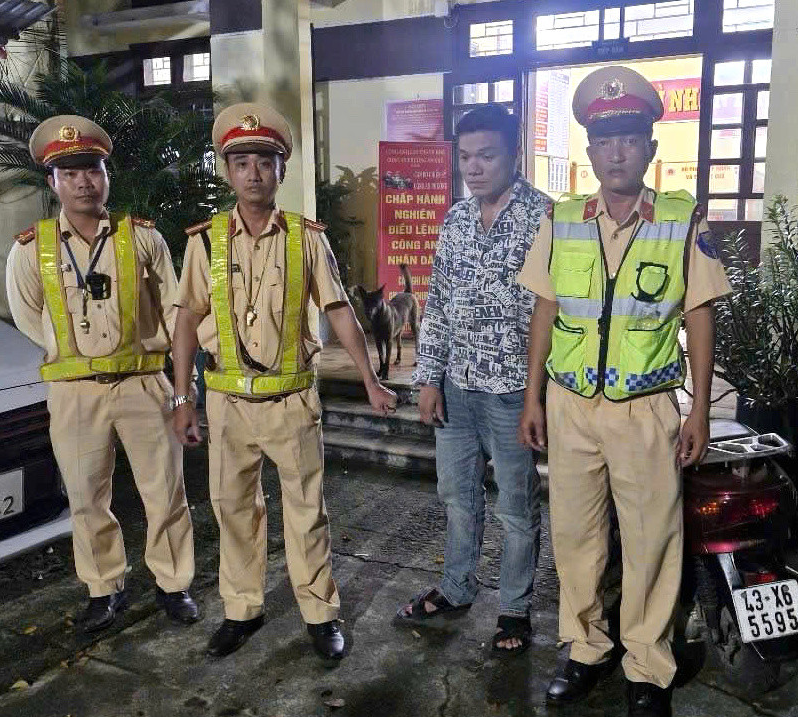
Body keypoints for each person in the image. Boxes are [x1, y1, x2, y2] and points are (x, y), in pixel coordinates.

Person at [517, 66, 732, 716]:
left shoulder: (680, 219)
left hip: (646, 408)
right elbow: (545, 309)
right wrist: (532, 398)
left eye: (629, 139)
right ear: (590, 151)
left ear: (649, 148)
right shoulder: (563, 219)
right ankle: (585, 647)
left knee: (651, 539)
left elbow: (700, 314)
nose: (617, 153)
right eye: (605, 141)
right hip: (570, 405)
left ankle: (647, 664)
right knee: (575, 536)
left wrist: (699, 409)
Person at [170, 103, 397, 660]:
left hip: (292, 400)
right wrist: (182, 396)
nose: (253, 173)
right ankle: (241, 610)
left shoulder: (305, 238)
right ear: (227, 171)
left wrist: (370, 379)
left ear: (281, 170)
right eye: (241, 163)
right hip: (227, 402)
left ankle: (320, 614)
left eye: (264, 162)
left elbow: (338, 309)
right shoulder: (205, 242)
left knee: (306, 510)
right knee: (233, 510)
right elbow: (185, 319)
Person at [6, 115, 198, 632]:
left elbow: (174, 311)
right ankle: (103, 588)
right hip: (74, 393)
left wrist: (183, 390)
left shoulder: (143, 239)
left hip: (143, 383)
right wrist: (76, 356)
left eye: (92, 169)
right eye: (69, 174)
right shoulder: (31, 248)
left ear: (106, 174)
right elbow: (29, 317)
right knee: (86, 497)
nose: (83, 182)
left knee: (165, 491)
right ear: (53, 182)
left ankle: (173, 584)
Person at [395, 104, 550, 655]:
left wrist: (538, 396)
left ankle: (514, 609)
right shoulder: (456, 220)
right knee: (457, 497)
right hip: (456, 389)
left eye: (487, 155)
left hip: (513, 392)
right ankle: (457, 587)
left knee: (516, 507)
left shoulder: (546, 219)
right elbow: (438, 303)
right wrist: (428, 378)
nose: (474, 168)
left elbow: (554, 313)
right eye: (465, 157)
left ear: (515, 153)